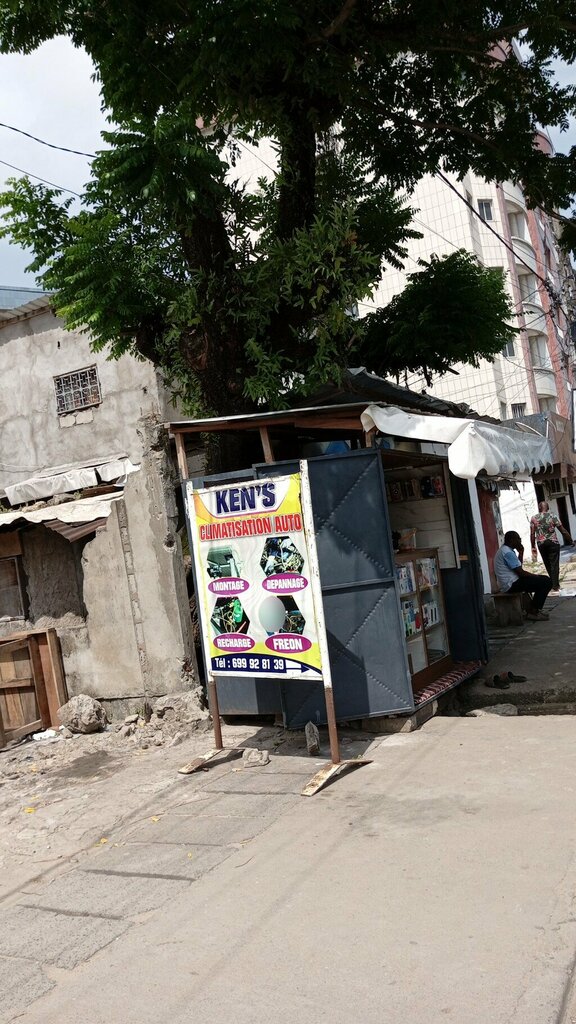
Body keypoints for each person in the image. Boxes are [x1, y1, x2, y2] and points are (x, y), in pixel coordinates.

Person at [494, 530, 552, 621]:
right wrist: (535, 576)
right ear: (512, 540)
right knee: (546, 582)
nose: (520, 541)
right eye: (518, 539)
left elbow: (518, 566)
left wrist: (521, 553)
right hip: (511, 584)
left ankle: (533, 609)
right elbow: (520, 572)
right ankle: (533, 612)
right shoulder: (507, 552)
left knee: (543, 580)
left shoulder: (506, 550)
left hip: (511, 582)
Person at [530, 501, 572, 592]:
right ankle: (555, 585)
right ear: (548, 508)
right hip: (553, 543)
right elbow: (563, 530)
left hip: (541, 543)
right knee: (554, 564)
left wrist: (533, 545)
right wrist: (571, 540)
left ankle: (553, 583)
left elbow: (532, 533)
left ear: (539, 508)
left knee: (547, 563)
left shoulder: (534, 518)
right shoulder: (553, 516)